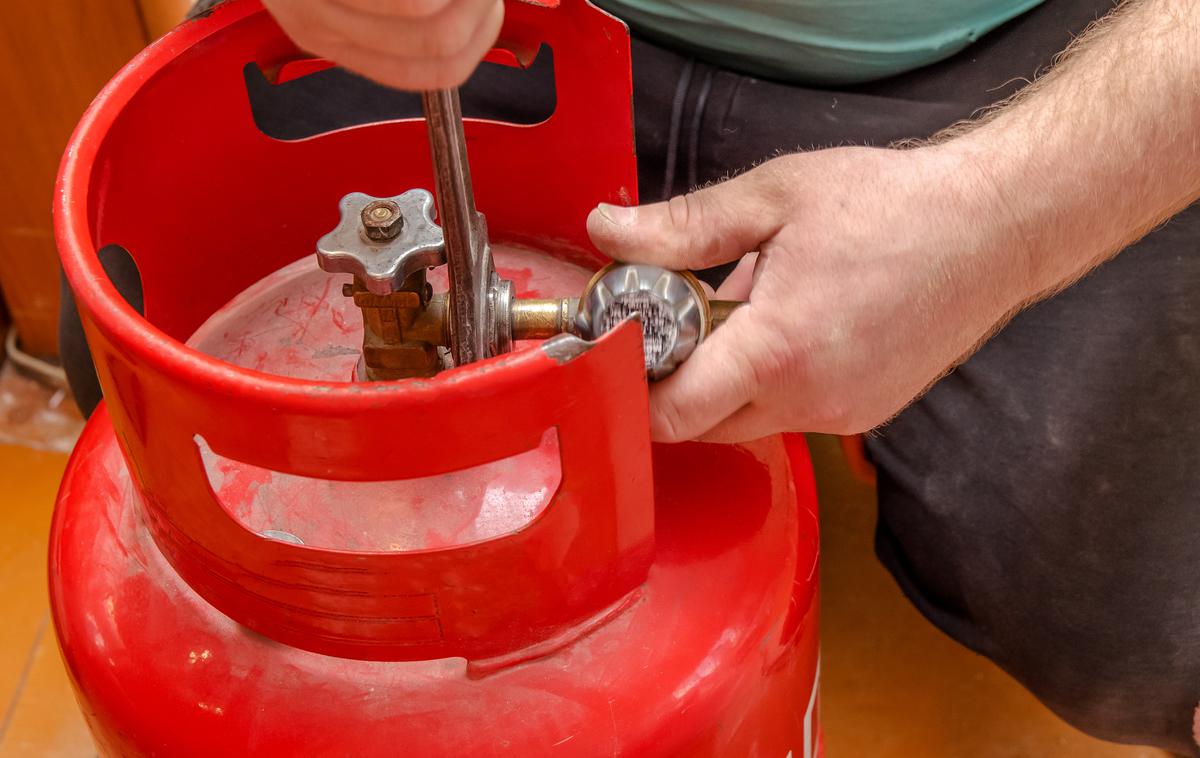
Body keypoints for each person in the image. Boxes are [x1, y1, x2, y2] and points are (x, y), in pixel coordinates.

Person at [59, 0, 1200, 752]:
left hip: (1007, 60)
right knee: (113, 351)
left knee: (1145, 624)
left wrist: (1002, 217)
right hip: (492, 24)